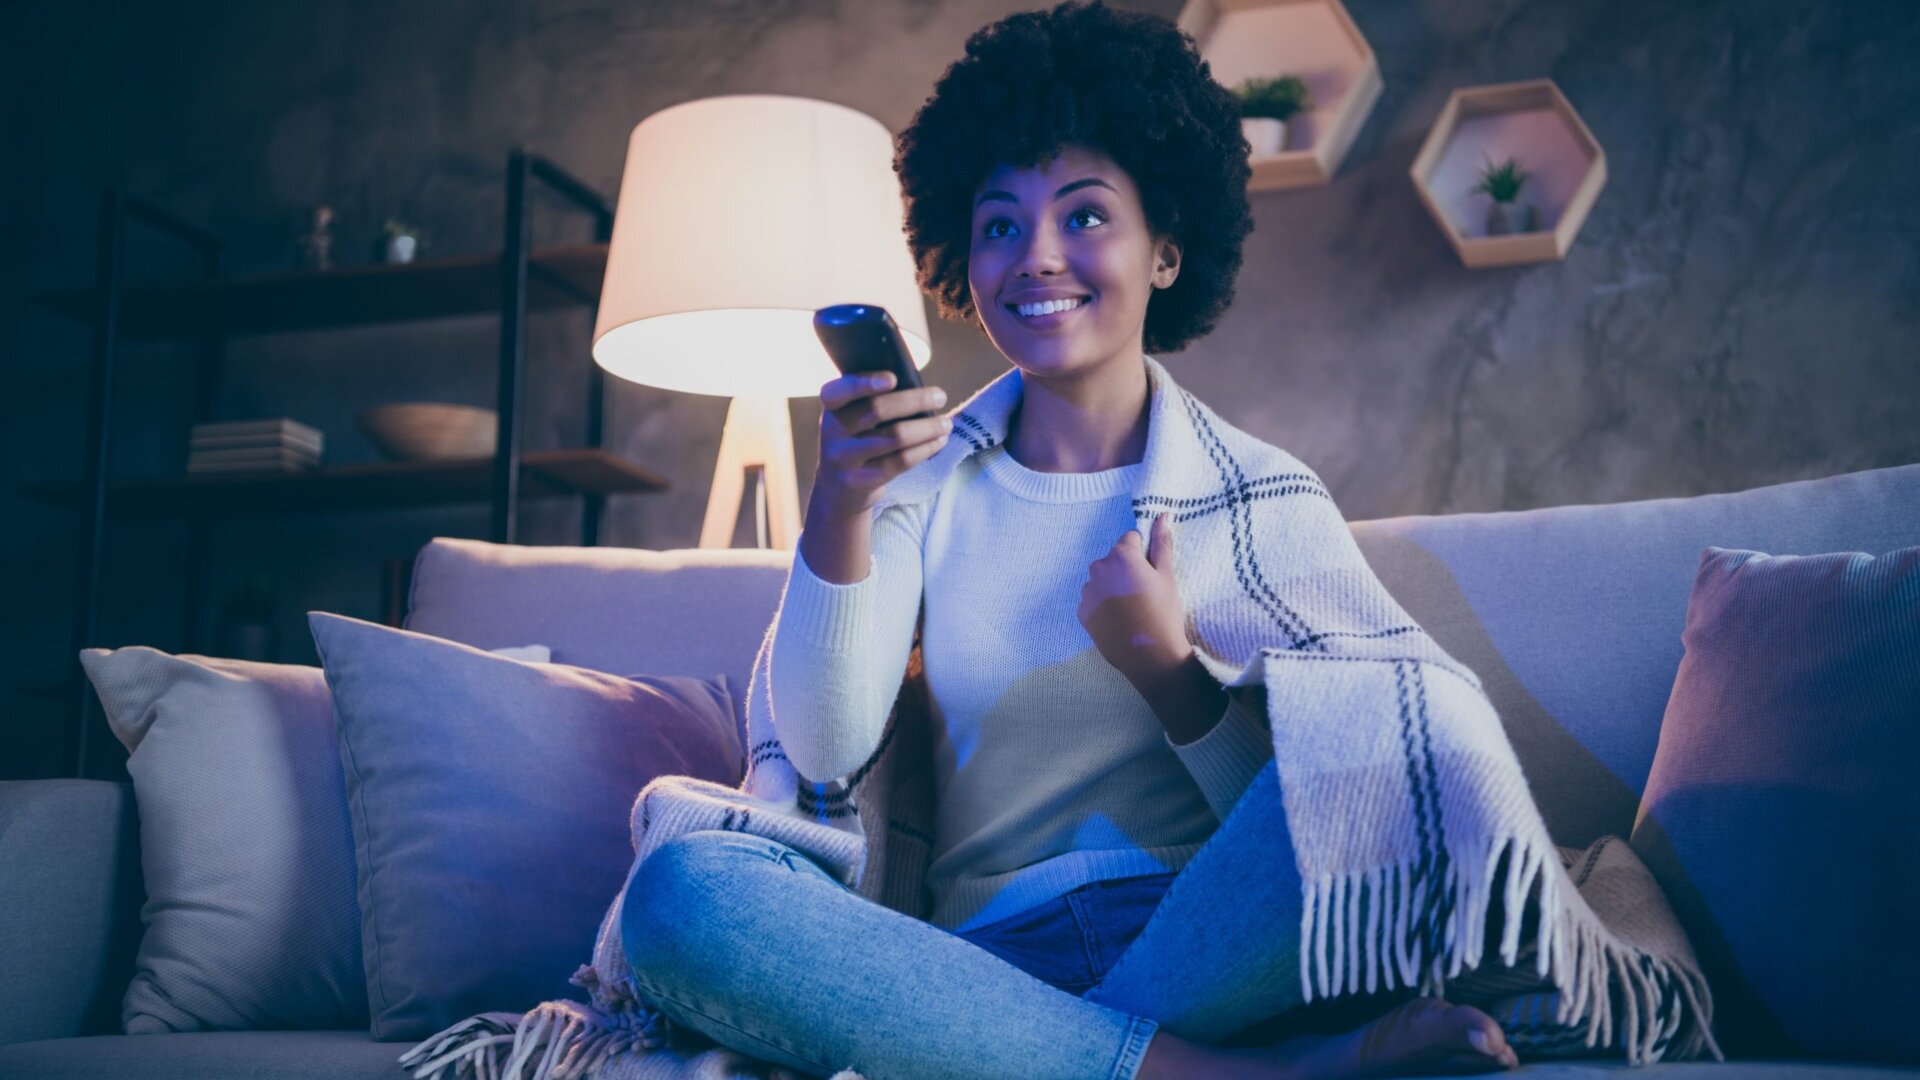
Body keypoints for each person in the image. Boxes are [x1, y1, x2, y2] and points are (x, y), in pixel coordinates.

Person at [619, 3, 1525, 1077]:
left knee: (1407, 750)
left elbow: (1333, 816)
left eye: (1086, 216)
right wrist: (840, 511)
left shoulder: (1265, 495)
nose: (1037, 256)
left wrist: (1173, 678)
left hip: (1202, 950)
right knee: (683, 896)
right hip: (975, 973)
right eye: (999, 224)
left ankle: (1070, 1061)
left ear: (1168, 251)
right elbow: (821, 756)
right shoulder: (919, 489)